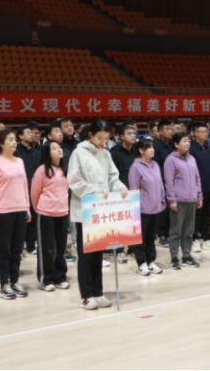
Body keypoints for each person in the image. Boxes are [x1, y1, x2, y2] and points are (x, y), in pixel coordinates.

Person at [68, 120, 129, 310]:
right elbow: (74, 181)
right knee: (86, 255)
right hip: (85, 210)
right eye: (99, 137)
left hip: (102, 210)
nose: (102, 141)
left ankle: (98, 292)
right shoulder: (79, 153)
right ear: (90, 135)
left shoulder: (105, 153)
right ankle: (86, 296)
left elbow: (112, 177)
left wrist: (120, 187)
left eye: (106, 138)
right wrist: (93, 190)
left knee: (97, 255)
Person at [0, 128, 30, 299]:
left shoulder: (19, 161)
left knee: (17, 249)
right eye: (10, 139)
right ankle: (4, 284)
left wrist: (27, 207)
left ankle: (14, 281)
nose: (14, 142)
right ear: (2, 143)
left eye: (14, 139)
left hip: (20, 209)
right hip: (4, 211)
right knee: (5, 249)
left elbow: (24, 185)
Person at [31, 140, 72, 291]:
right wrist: (38, 209)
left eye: (59, 147)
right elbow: (34, 193)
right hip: (46, 213)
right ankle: (46, 279)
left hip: (63, 213)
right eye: (54, 148)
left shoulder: (65, 169)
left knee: (61, 248)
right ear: (48, 153)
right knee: (46, 248)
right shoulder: (41, 170)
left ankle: (60, 277)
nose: (59, 150)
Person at [164, 133, 202, 268]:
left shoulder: (192, 159)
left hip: (192, 200)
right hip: (178, 201)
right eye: (184, 141)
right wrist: (172, 200)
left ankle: (187, 256)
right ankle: (174, 257)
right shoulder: (171, 160)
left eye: (188, 141)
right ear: (176, 144)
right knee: (176, 230)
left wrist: (199, 196)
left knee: (189, 231)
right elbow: (169, 182)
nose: (187, 143)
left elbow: (197, 178)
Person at [129, 139, 166, 276]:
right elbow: (134, 189)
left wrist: (162, 201)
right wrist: (136, 208)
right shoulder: (136, 167)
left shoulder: (155, 165)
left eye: (153, 147)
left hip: (156, 207)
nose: (152, 150)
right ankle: (141, 263)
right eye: (149, 147)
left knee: (151, 237)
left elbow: (160, 185)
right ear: (141, 150)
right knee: (141, 237)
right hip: (143, 209)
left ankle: (151, 261)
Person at [189, 121, 210, 252]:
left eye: (206, 132)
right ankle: (194, 238)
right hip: (197, 187)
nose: (206, 134)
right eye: (202, 132)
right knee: (197, 215)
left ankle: (207, 237)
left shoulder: (208, 146)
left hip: (209, 185)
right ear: (195, 133)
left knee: (208, 214)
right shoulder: (191, 148)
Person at [15, 124, 41, 257]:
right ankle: (21, 245)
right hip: (19, 189)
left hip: (34, 188)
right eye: (28, 133)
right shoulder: (16, 152)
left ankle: (31, 245)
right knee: (22, 219)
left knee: (34, 218)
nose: (31, 135)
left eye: (32, 133)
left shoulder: (36, 152)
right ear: (20, 136)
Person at [152, 119, 175, 247]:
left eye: (171, 128)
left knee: (173, 210)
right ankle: (162, 235)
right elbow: (156, 166)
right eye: (167, 129)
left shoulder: (174, 145)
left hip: (175, 182)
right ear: (160, 132)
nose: (170, 131)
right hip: (162, 182)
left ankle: (172, 233)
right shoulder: (156, 147)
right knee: (164, 211)